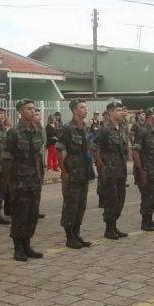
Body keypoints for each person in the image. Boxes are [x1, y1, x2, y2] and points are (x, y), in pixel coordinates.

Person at [4, 99, 45, 261]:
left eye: (34, 109)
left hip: (35, 180)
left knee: (32, 214)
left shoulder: (36, 131)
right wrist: (10, 183)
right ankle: (18, 248)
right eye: (29, 109)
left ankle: (27, 244)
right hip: (20, 181)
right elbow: (6, 159)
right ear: (20, 112)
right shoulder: (14, 133)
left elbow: (38, 155)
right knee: (20, 215)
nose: (33, 111)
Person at [57, 99, 94, 247]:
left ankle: (77, 234)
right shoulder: (68, 128)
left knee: (81, 205)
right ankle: (69, 236)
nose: (85, 110)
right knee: (71, 205)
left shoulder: (85, 127)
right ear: (74, 111)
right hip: (72, 171)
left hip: (84, 171)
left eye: (85, 107)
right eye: (82, 107)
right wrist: (63, 172)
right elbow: (58, 150)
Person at [92, 102, 129, 239]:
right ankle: (109, 229)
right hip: (110, 170)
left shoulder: (123, 128)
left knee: (120, 199)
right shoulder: (105, 129)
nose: (121, 112)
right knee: (111, 200)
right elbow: (94, 147)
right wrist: (101, 164)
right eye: (118, 110)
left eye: (122, 110)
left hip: (121, 169)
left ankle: (114, 225)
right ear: (111, 113)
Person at [132, 107, 154, 231]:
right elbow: (135, 152)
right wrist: (141, 170)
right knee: (147, 197)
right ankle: (145, 222)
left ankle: (150, 220)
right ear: (149, 117)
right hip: (146, 170)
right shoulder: (143, 131)